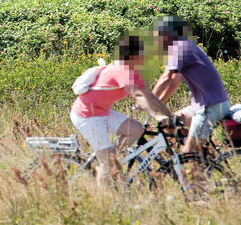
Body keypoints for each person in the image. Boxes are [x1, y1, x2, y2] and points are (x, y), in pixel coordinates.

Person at [70, 34, 172, 186]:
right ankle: (105, 197)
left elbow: (150, 97)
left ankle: (111, 156)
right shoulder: (121, 69)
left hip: (101, 111)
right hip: (86, 114)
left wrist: (170, 115)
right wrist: (156, 116)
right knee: (107, 162)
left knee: (136, 129)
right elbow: (137, 96)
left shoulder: (133, 70)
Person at [151, 16, 230, 156]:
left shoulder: (180, 47)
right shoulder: (183, 46)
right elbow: (175, 81)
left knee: (189, 153)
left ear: (166, 34)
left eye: (157, 34)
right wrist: (157, 103)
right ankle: (203, 154)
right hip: (203, 106)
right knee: (168, 123)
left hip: (210, 107)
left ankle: (195, 159)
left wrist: (149, 98)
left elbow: (167, 76)